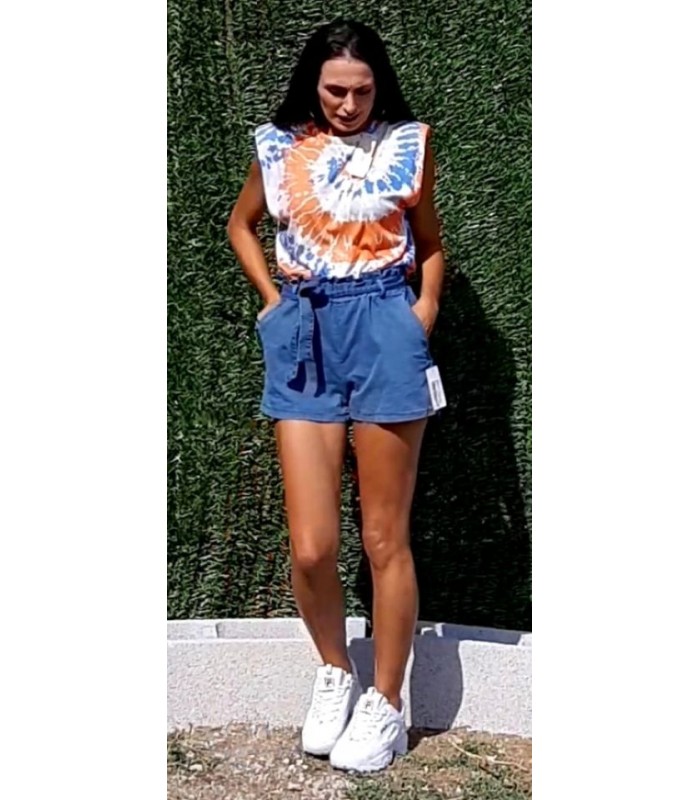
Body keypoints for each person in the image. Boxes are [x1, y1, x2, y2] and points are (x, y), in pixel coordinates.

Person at [227, 18, 446, 773]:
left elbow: (430, 240)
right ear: (312, 86)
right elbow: (241, 224)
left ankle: (385, 701)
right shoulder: (278, 146)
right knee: (312, 545)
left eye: (361, 90)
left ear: (378, 86)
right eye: (334, 91)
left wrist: (423, 310)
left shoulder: (407, 143)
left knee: (385, 538)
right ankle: (334, 670)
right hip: (305, 332)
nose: (349, 105)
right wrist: (270, 299)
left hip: (384, 324)